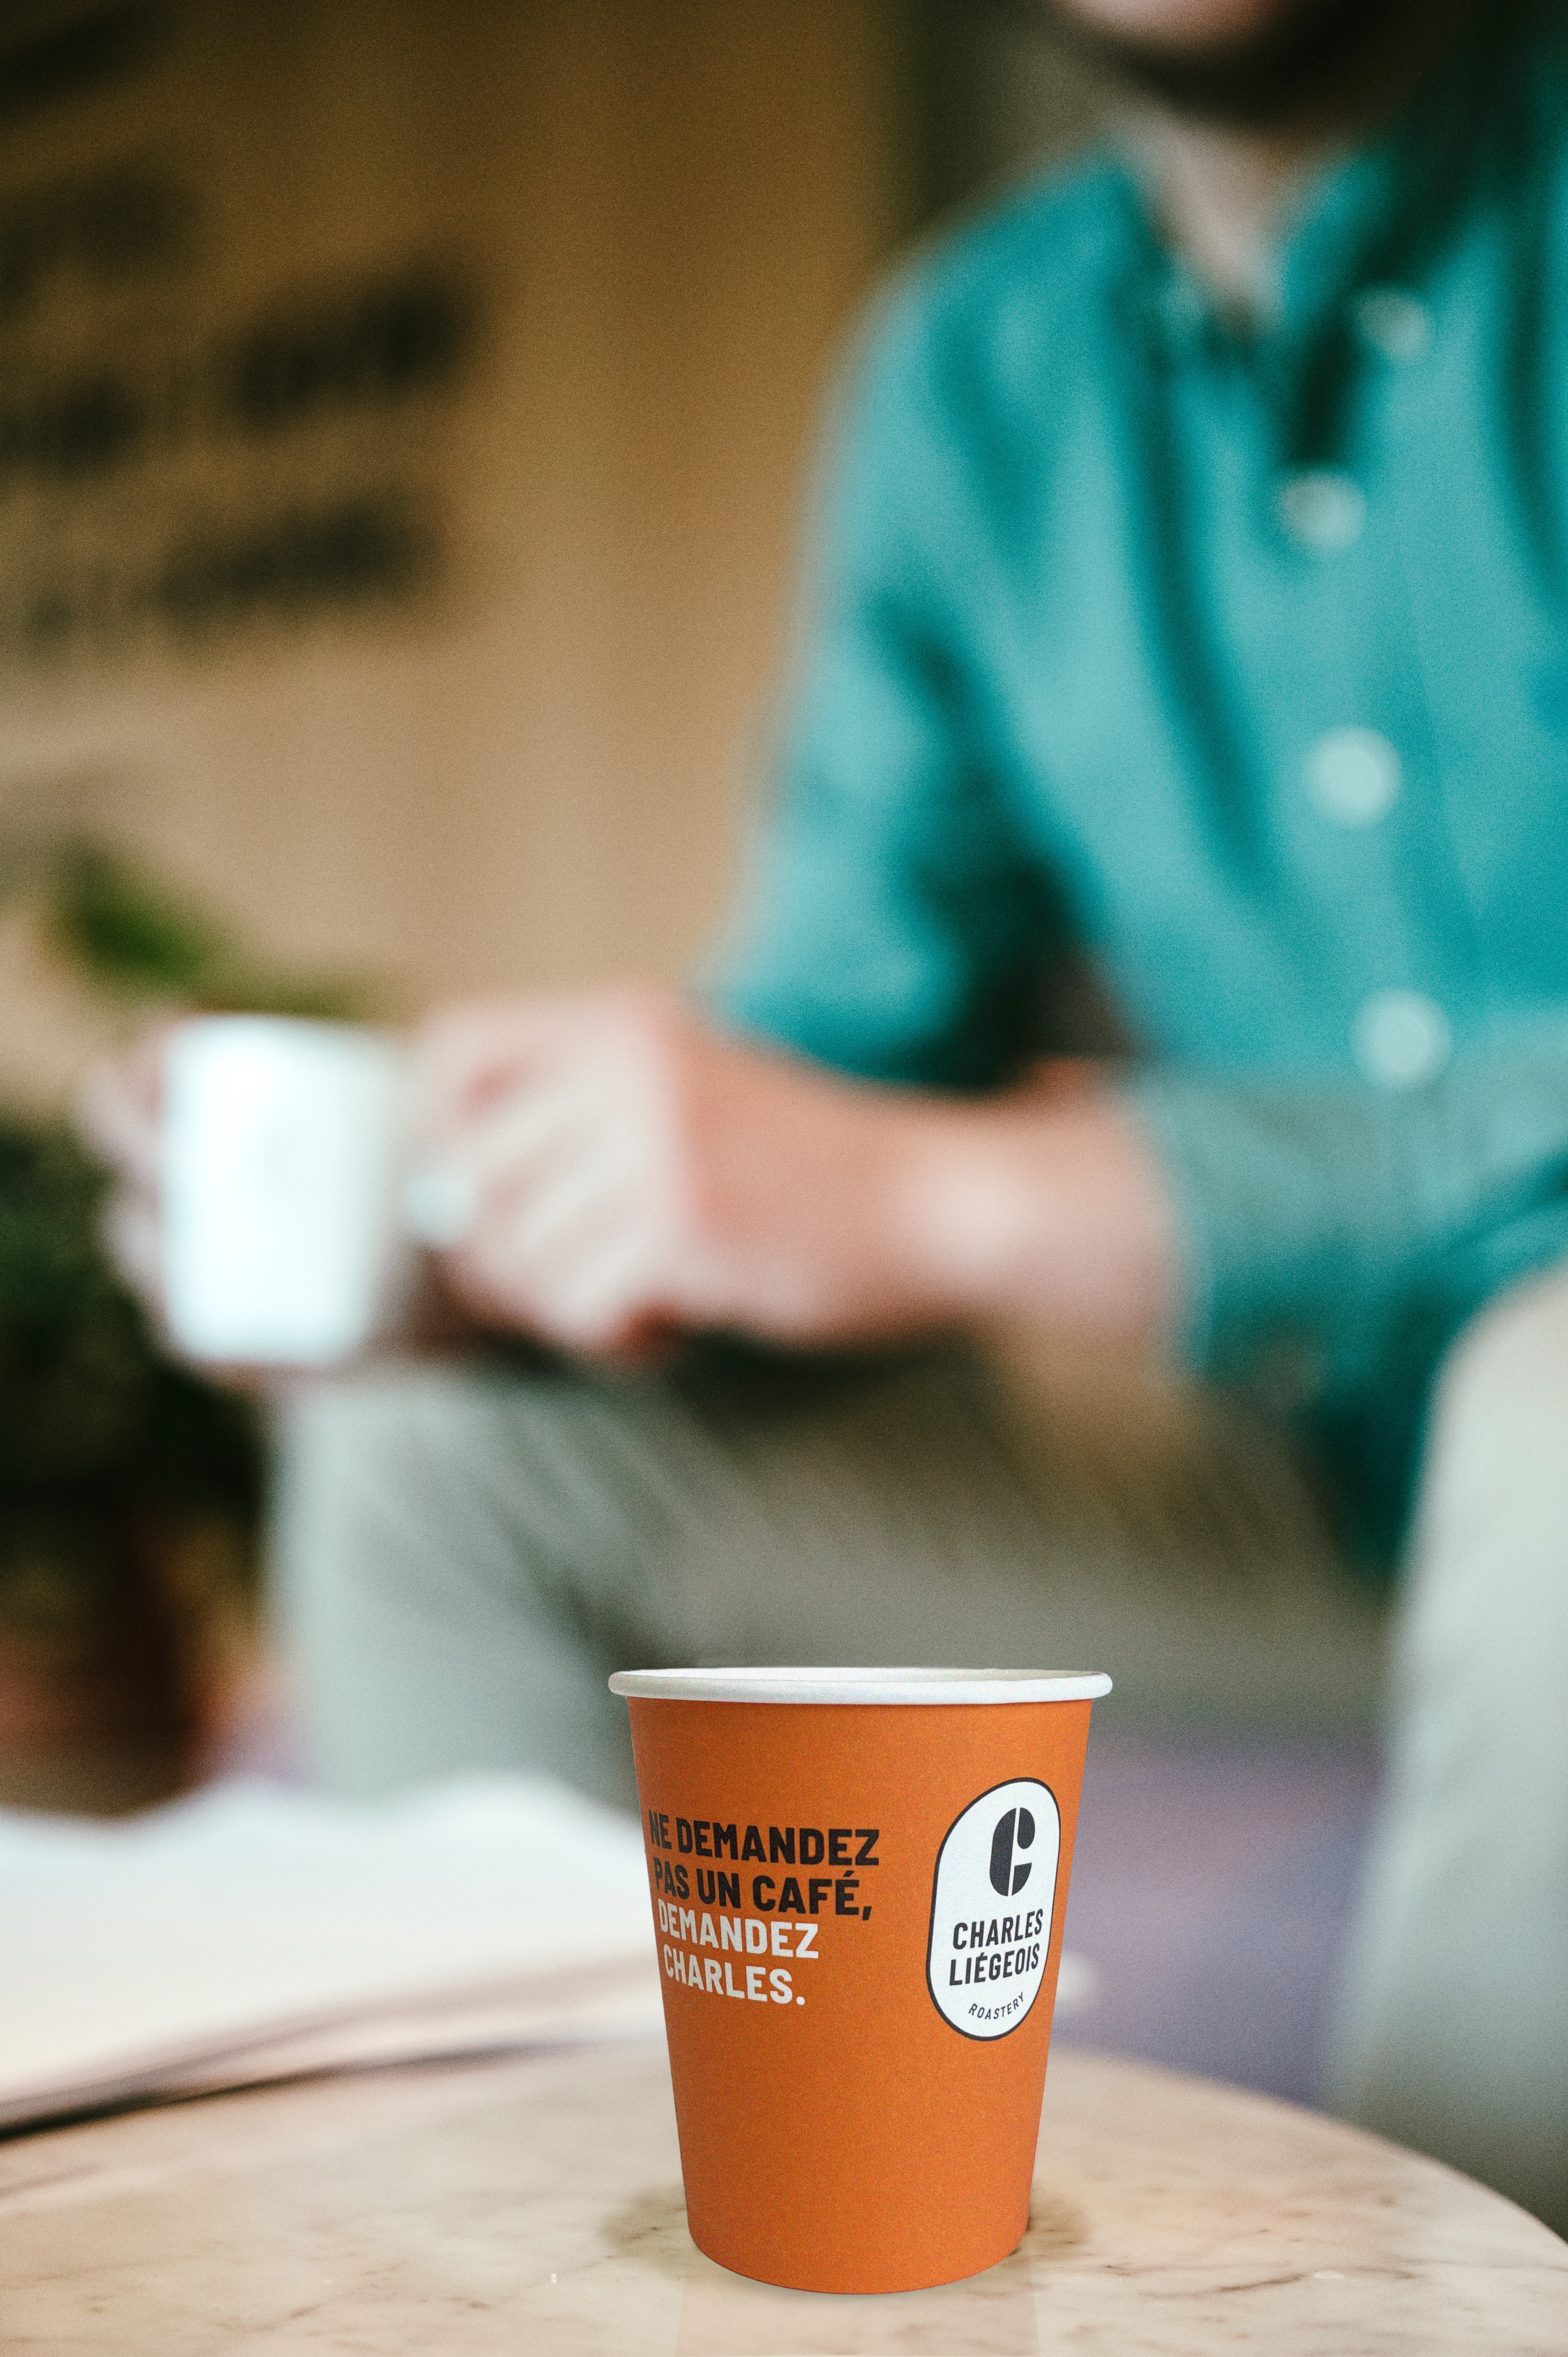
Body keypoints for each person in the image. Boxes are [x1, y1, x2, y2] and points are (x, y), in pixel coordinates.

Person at [89, 0, 1568, 2232]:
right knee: (439, 1460)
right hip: (1310, 1538)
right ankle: (572, 2268)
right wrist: (511, 1235)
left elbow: (905, 1184)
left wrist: (967, 1205)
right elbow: (823, 1078)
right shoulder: (974, 378)